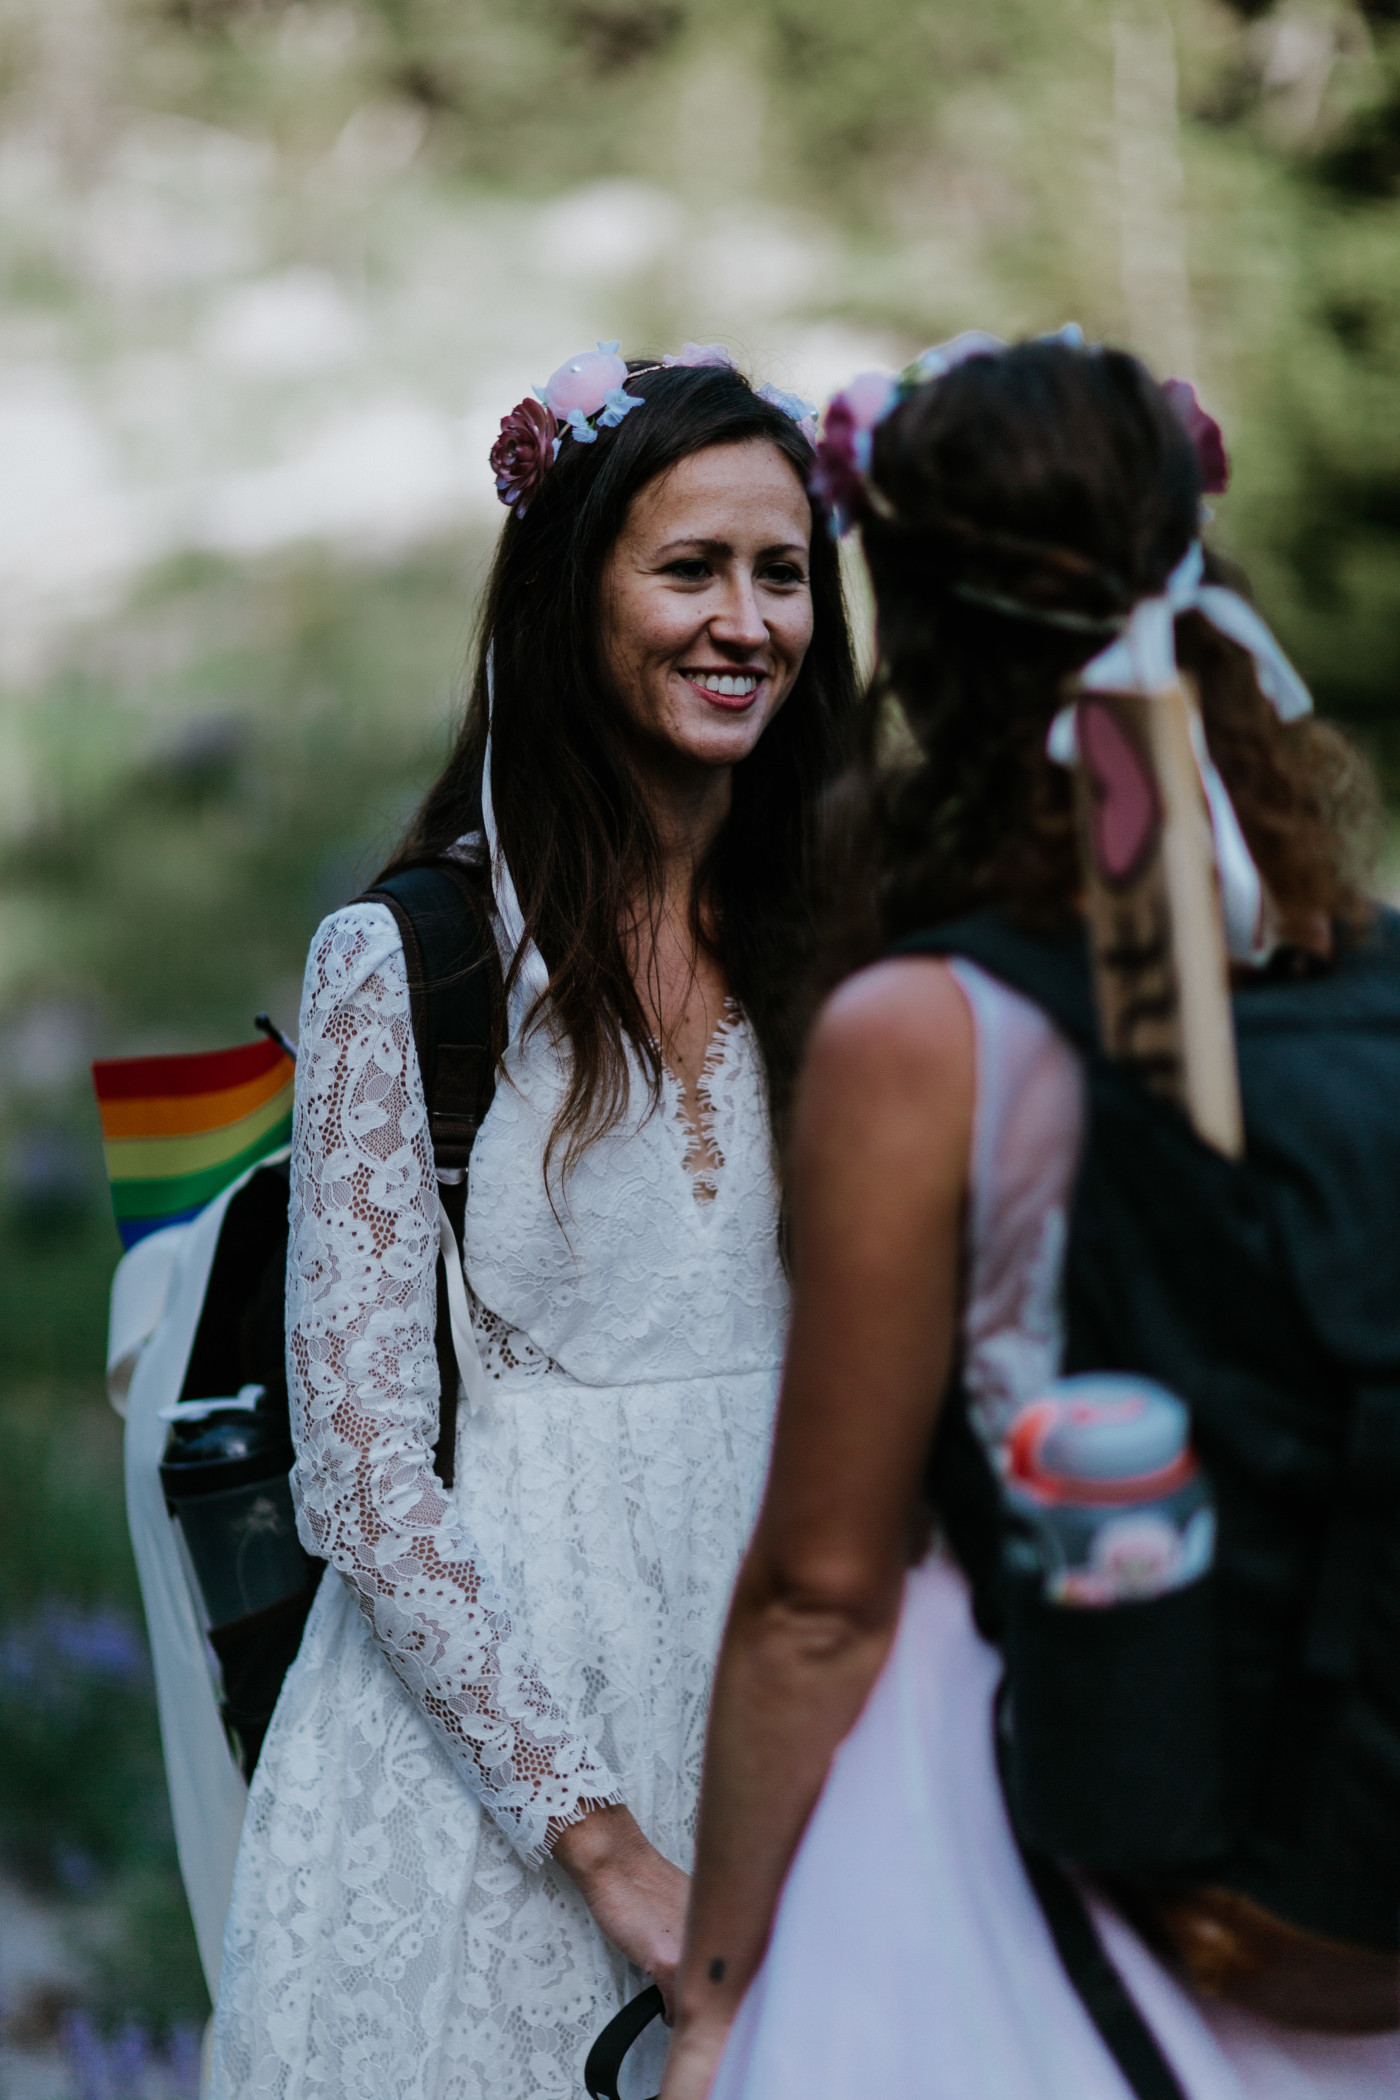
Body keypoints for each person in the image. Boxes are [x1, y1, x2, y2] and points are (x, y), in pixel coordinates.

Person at [660, 335, 1400, 2100]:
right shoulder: (1353, 954)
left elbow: (822, 1596)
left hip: (1032, 1808)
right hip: (1324, 1790)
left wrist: (714, 1996)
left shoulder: (924, 1030)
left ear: (912, 631)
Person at [209, 343, 857, 2100]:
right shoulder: (414, 962)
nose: (746, 621)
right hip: (499, 1760)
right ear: (575, 597)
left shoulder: (847, 942)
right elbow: (358, 1470)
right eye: (689, 567)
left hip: (793, 1690)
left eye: (781, 571)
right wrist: (609, 1847)